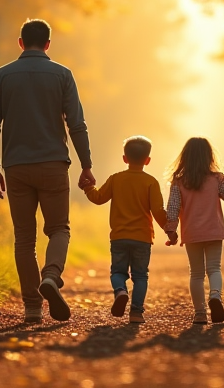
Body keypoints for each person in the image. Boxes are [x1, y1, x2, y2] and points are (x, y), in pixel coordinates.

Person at [0, 19, 96, 324]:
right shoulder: (62, 74)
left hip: (16, 167)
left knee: (24, 238)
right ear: (48, 44)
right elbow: (77, 124)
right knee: (58, 228)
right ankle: (51, 276)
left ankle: (32, 307)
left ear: (20, 43)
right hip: (53, 164)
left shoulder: (2, 76)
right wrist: (86, 165)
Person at [79, 136, 168, 323]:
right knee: (140, 276)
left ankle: (120, 291)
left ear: (125, 158)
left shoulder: (116, 179)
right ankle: (136, 313)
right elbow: (158, 211)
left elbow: (98, 198)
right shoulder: (151, 182)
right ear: (148, 160)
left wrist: (88, 188)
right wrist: (170, 230)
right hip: (142, 238)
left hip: (119, 237)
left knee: (118, 272)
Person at [164, 137, 224, 325]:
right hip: (214, 231)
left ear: (185, 157)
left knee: (196, 274)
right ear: (209, 156)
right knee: (214, 268)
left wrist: (171, 230)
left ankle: (200, 313)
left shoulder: (178, 182)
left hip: (192, 233)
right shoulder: (216, 178)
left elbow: (173, 208)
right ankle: (215, 296)